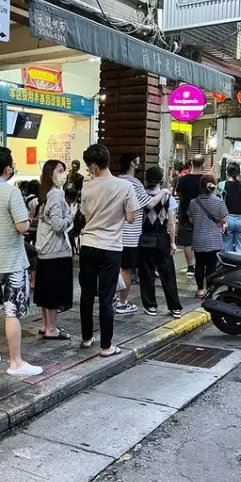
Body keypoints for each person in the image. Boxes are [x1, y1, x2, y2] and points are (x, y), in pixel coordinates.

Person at [0, 147, 42, 377]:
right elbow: (22, 226)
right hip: (13, 262)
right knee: (11, 312)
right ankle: (15, 362)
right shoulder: (12, 193)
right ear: (8, 169)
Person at [78, 144, 138, 357]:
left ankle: (86, 338)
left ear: (92, 166)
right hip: (111, 247)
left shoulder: (87, 186)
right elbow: (131, 218)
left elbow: (85, 216)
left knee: (86, 294)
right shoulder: (124, 186)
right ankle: (106, 346)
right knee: (106, 296)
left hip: (88, 244)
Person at [115, 153, 170, 314]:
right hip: (130, 233)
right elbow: (150, 203)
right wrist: (164, 192)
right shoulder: (135, 184)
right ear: (132, 163)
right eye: (138, 162)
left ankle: (112, 297)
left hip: (114, 232)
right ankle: (122, 303)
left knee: (114, 268)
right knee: (126, 269)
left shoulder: (116, 181)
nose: (139, 165)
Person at [34, 160, 73, 341]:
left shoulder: (46, 193)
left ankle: (45, 325)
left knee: (45, 291)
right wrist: (71, 215)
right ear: (51, 174)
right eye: (60, 170)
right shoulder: (56, 194)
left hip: (44, 250)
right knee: (54, 292)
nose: (64, 174)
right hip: (56, 250)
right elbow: (58, 225)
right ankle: (52, 329)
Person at [138, 167, 183, 319]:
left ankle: (150, 305)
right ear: (161, 180)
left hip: (144, 237)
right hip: (162, 237)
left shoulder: (141, 195)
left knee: (146, 273)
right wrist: (172, 242)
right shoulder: (167, 198)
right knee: (167, 273)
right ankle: (175, 307)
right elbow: (171, 223)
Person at [188, 175, 229, 299]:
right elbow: (224, 220)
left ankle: (200, 289)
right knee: (211, 266)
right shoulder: (219, 202)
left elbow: (191, 219)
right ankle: (209, 291)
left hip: (198, 238)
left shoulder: (193, 202)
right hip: (214, 239)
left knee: (199, 264)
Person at [175, 154, 205, 277]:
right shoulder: (205, 180)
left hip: (185, 213)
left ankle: (190, 267)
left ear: (191, 164)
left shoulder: (182, 179)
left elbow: (177, 193)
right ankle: (200, 266)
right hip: (202, 214)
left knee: (187, 242)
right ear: (203, 165)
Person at [218, 162, 241, 253]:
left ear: (226, 172)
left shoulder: (222, 185)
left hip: (227, 218)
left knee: (226, 243)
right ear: (239, 173)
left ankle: (226, 264)